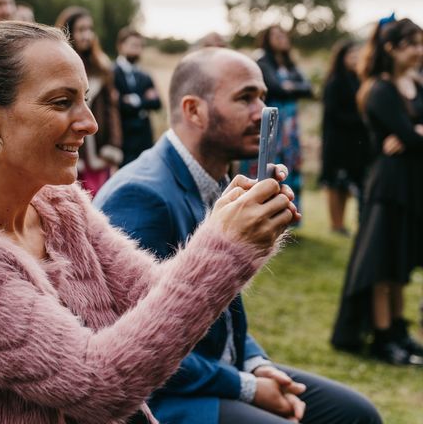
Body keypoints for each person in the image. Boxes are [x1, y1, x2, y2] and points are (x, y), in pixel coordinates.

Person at [0, 21, 295, 424]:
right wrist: (224, 247)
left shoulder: (58, 206)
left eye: (84, 100)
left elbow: (151, 295)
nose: (89, 123)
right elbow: (97, 385)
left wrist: (234, 224)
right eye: (62, 102)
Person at [95, 48, 382, 424]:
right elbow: (134, 347)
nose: (262, 112)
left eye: (263, 97)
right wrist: (246, 386)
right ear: (193, 110)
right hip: (165, 397)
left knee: (356, 414)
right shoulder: (142, 196)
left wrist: (258, 364)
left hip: (222, 369)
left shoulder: (223, 184)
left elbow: (224, 314)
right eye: (245, 98)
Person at [331, 17, 423, 366]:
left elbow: (413, 138)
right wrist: (414, 133)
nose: (419, 51)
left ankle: (400, 331)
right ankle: (383, 337)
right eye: (412, 43)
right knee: (383, 265)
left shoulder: (414, 83)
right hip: (389, 187)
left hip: (413, 184)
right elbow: (410, 136)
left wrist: (415, 133)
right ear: (391, 48)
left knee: (400, 263)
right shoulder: (380, 90)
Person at [240, 25, 312, 213]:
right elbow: (276, 88)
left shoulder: (289, 64)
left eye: (284, 35)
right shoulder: (263, 61)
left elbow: (308, 88)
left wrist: (290, 86)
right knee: (269, 164)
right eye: (276, 35)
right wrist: (289, 87)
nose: (282, 38)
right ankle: (264, 210)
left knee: (290, 165)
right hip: (272, 124)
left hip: (291, 126)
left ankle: (288, 212)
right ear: (267, 38)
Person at [55, 6, 123, 195]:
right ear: (69, 32)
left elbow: (112, 110)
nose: (87, 35)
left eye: (90, 29)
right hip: (71, 147)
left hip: (99, 149)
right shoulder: (58, 66)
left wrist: (113, 145)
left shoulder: (102, 67)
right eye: (81, 29)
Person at [319, 40, 370, 235]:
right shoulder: (335, 82)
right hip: (337, 142)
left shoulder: (359, 80)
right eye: (352, 55)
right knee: (335, 184)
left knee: (347, 185)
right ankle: (336, 224)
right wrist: (361, 119)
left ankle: (342, 223)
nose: (356, 59)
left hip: (355, 143)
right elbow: (333, 113)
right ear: (342, 58)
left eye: (359, 55)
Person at [113, 27, 161, 166]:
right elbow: (118, 105)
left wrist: (135, 100)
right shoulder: (111, 73)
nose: (137, 50)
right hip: (125, 139)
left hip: (145, 139)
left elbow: (157, 104)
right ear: (121, 46)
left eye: (140, 46)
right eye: (133, 45)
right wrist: (145, 100)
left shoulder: (145, 75)